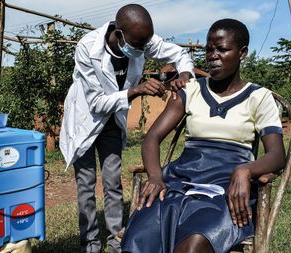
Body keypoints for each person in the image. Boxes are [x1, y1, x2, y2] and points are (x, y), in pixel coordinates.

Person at [121, 18, 286, 253]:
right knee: (141, 236)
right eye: (209, 50)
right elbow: (152, 138)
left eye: (222, 49)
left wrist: (245, 170)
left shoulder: (258, 97)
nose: (213, 56)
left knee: (193, 245)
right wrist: (156, 177)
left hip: (226, 188)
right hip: (181, 180)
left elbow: (278, 155)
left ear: (242, 53)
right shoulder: (191, 90)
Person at [59, 4, 194, 253]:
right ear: (119, 34)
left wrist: (185, 73)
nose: (142, 50)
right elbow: (97, 102)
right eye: (137, 44)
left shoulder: (141, 40)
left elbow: (179, 54)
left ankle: (115, 240)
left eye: (145, 44)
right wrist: (136, 90)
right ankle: (89, 242)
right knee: (86, 184)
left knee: (112, 181)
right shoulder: (88, 48)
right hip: (85, 120)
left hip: (112, 121)